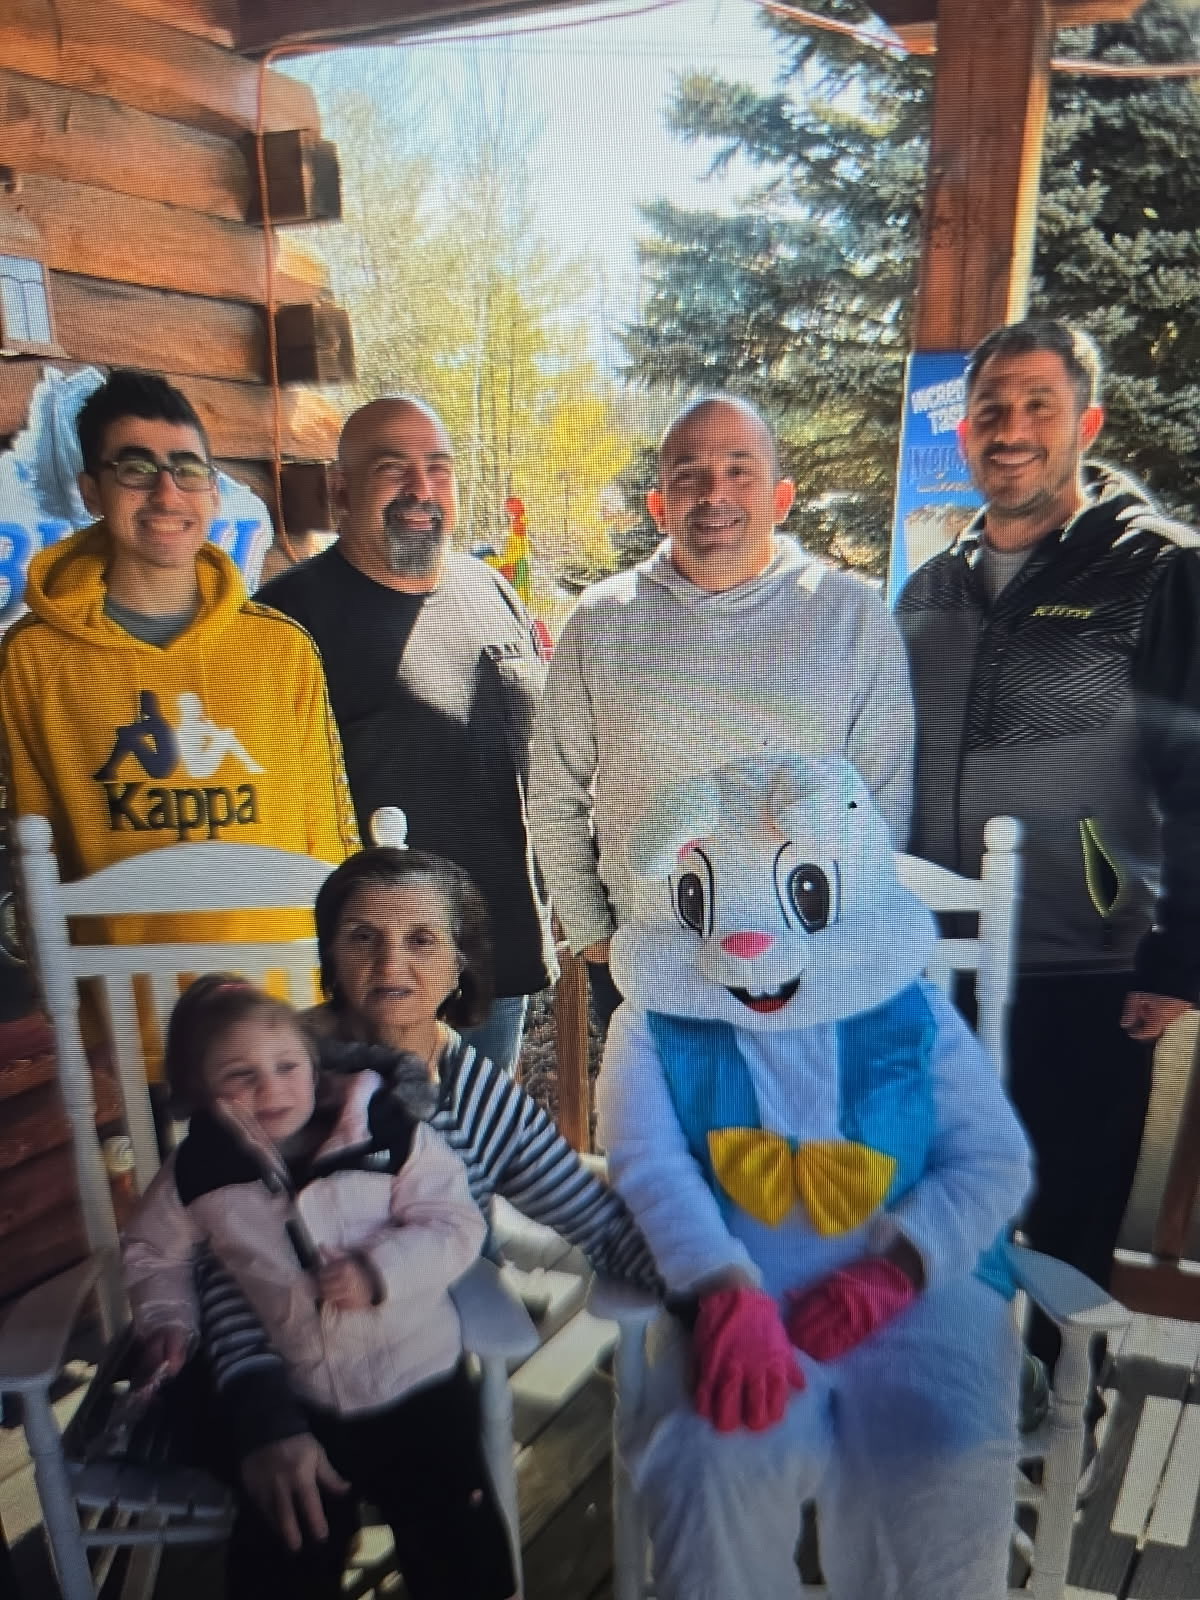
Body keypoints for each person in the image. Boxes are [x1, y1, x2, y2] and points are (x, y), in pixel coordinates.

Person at [597, 753, 1031, 1600]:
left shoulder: (910, 1008)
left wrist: (898, 1268)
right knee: (709, 1465)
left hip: (918, 1289)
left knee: (943, 1462)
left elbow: (991, 1158)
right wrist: (722, 1288)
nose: (749, 943)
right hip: (735, 1288)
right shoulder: (651, 1023)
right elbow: (647, 1163)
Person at [895, 318, 1200, 1454]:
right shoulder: (931, 583)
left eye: (1036, 406)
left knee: (1065, 1210)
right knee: (941, 1192)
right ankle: (941, 1400)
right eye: (990, 410)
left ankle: (1053, 1432)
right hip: (936, 961)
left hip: (1089, 963)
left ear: (1088, 424)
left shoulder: (1159, 568)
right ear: (964, 432)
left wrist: (1182, 954)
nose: (1010, 430)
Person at [191, 845, 659, 1544]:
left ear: (458, 962)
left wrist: (715, 1291)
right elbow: (220, 1267)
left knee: (455, 1530)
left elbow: (591, 1216)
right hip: (265, 1369)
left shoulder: (475, 1094)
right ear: (330, 953)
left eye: (421, 940)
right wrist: (265, 1417)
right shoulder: (270, 1081)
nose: (390, 966)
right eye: (362, 937)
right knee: (298, 1529)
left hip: (399, 1372)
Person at [122, 974, 516, 1600]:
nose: (271, 1088)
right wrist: (169, 1319)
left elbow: (454, 1222)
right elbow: (153, 1254)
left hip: (419, 1384)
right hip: (304, 1398)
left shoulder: (387, 1130)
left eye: (286, 1065)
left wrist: (379, 1271)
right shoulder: (199, 1172)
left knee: (457, 1551)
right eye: (239, 1075)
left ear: (314, 1061)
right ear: (201, 1094)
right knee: (285, 1548)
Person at [529, 393, 915, 1029]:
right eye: (689, 474)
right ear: (658, 504)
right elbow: (552, 789)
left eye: (740, 471)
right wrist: (591, 924)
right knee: (654, 1125)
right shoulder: (598, 623)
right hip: (653, 962)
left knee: (807, 1132)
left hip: (808, 961)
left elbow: (883, 792)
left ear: (782, 498)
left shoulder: (852, 618)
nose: (715, 494)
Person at [0, 369, 357, 954]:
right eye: (136, 469)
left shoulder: (280, 649)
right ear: (92, 490)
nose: (167, 494)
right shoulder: (36, 661)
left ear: (213, 492)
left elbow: (332, 829)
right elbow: (37, 855)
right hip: (129, 1009)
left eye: (188, 470)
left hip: (286, 1007)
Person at [257, 397, 555, 1077]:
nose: (422, 490)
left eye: (439, 469)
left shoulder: (490, 591)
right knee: (377, 1171)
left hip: (490, 962)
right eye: (394, 468)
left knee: (474, 1162)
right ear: (340, 488)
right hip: (374, 979)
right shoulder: (285, 622)